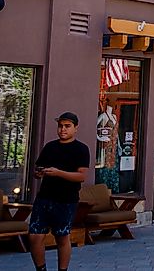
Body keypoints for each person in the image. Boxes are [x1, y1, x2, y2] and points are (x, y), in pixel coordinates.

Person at [29, 112, 90, 271]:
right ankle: (41, 268)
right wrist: (38, 173)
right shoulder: (50, 147)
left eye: (67, 126)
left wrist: (58, 173)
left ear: (75, 128)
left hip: (66, 200)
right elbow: (38, 169)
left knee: (62, 237)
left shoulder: (81, 149)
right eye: (60, 126)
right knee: (35, 236)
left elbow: (81, 176)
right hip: (44, 197)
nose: (63, 129)